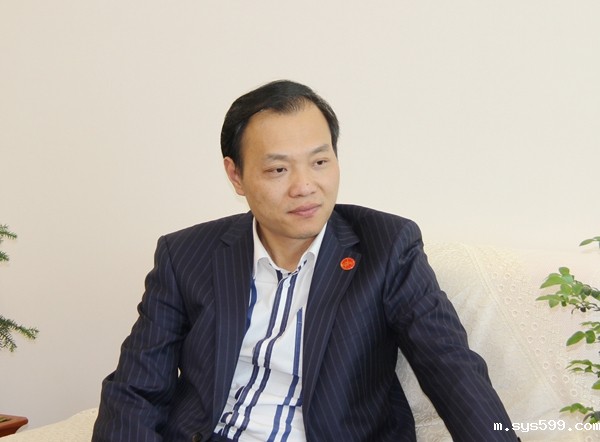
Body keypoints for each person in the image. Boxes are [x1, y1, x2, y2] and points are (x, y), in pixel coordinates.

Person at [92, 80, 518, 442]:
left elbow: (450, 366)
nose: (305, 186)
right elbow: (136, 390)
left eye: (319, 162)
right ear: (236, 175)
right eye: (278, 170)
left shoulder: (387, 246)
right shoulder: (186, 254)